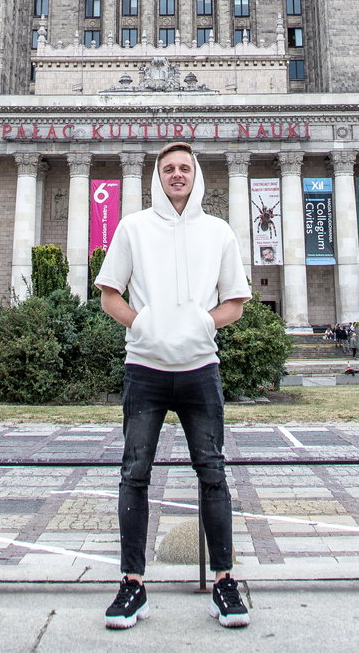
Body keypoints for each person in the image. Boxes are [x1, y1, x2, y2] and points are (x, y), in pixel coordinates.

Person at [96, 142, 252, 631]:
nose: (177, 175)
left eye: (185, 168)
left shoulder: (219, 231)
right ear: (157, 177)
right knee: (134, 474)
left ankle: (225, 582)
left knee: (213, 473)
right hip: (144, 368)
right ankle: (132, 584)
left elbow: (236, 303)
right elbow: (108, 294)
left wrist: (200, 326)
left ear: (196, 174)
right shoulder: (132, 227)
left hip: (200, 368)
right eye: (169, 169)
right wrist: (143, 326)